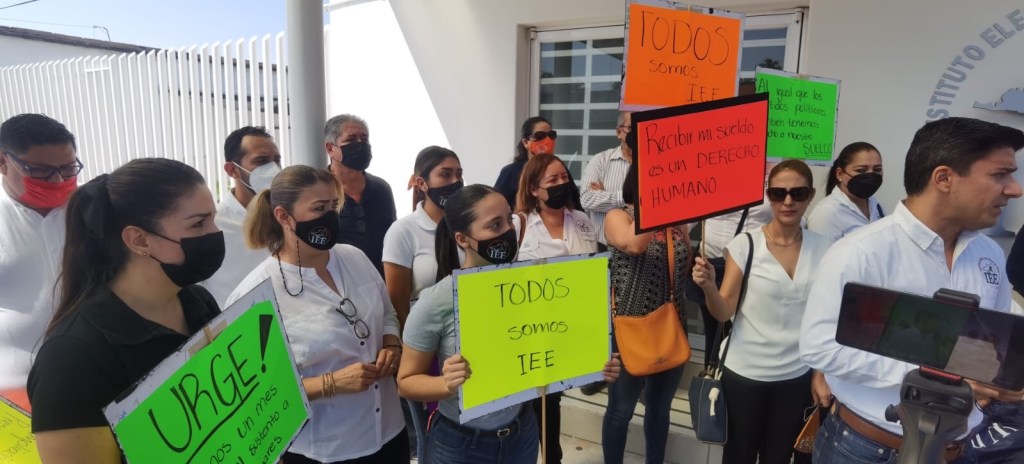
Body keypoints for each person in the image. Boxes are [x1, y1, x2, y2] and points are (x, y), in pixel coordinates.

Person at [800, 117, 1024, 464]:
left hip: (957, 448)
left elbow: (991, 337)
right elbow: (821, 346)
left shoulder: (989, 253)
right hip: (866, 451)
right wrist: (938, 377)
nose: (1014, 189)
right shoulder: (862, 252)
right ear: (944, 178)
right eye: (1000, 175)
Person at [397, 184, 620, 464]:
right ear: (463, 239)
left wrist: (593, 362)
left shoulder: (533, 287)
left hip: (521, 432)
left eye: (508, 220)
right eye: (494, 225)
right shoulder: (438, 301)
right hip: (461, 444)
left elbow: (549, 341)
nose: (508, 231)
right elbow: (406, 382)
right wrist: (446, 384)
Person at [28, 158, 224, 463]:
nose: (215, 233)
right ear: (139, 239)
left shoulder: (197, 301)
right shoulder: (71, 359)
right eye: (198, 224)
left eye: (213, 219)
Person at [228, 165, 406, 463]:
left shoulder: (355, 258)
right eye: (319, 208)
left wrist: (392, 343)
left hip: (389, 431)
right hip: (326, 448)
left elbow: (387, 312)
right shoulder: (256, 296)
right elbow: (257, 393)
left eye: (334, 206)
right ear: (283, 216)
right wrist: (330, 383)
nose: (330, 216)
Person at [692, 160, 831, 464]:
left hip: (795, 375)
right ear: (769, 196)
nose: (788, 201)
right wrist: (710, 288)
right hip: (745, 374)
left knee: (778, 457)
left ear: (811, 195)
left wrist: (820, 371)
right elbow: (723, 311)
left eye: (798, 192)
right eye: (779, 193)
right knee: (738, 456)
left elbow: (826, 318)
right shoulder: (745, 245)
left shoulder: (825, 248)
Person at [602, 159, 691, 464]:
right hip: (630, 327)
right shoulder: (618, 216)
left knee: (660, 408)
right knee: (620, 410)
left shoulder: (677, 222)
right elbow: (635, 246)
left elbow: (683, 265)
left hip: (671, 324)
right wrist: (655, 203)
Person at [515, 153, 600, 463]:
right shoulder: (519, 225)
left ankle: (552, 456)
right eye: (552, 180)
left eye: (564, 177)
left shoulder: (581, 220)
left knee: (554, 398)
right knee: (536, 401)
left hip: (571, 329)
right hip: (532, 331)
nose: (562, 184)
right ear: (534, 189)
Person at [381, 145, 464, 459]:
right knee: (434, 426)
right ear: (421, 182)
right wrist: (407, 351)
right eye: (445, 174)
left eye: (458, 174)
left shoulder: (464, 224)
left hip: (464, 340)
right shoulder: (403, 231)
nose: (455, 181)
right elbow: (397, 301)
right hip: (425, 345)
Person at [0, 114, 80, 400]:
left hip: (92, 371)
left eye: (68, 169)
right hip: (15, 389)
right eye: (40, 171)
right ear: (3, 162)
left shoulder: (92, 210)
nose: (58, 180)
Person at [202, 126, 281, 307]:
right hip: (241, 322)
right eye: (261, 161)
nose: (274, 169)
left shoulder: (287, 217)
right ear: (232, 170)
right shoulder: (211, 226)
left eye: (277, 161)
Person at [325, 114, 396, 276]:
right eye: (351, 140)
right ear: (330, 148)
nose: (360, 145)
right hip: (338, 281)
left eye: (364, 139)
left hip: (382, 281)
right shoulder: (317, 191)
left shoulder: (382, 188)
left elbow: (393, 238)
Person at [806, 142, 886, 243]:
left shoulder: (876, 205)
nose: (871, 175)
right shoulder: (826, 213)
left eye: (877, 169)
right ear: (840, 173)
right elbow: (822, 252)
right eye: (861, 170)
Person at [581, 111, 632, 251]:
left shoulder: (655, 164)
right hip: (604, 250)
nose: (638, 132)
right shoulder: (601, 161)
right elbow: (587, 199)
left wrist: (605, 196)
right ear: (619, 132)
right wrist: (628, 197)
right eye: (632, 128)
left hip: (643, 252)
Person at [494, 116, 556, 209]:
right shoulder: (511, 172)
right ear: (526, 142)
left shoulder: (559, 170)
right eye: (540, 136)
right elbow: (496, 206)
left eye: (551, 135)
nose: (548, 140)